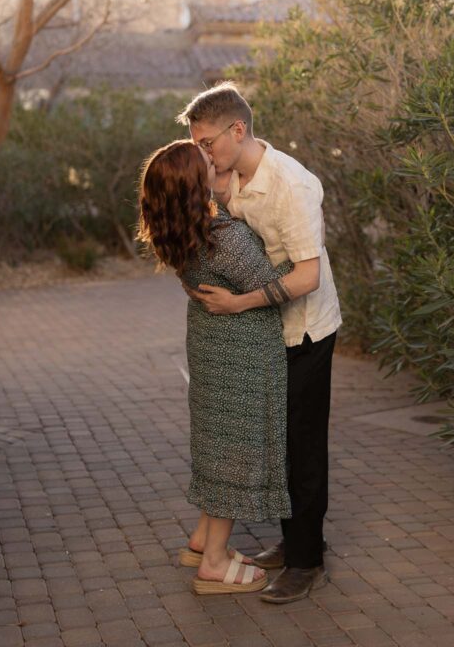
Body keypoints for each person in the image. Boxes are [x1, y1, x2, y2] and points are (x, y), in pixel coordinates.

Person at [177, 82, 342, 604]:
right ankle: (292, 542)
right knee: (277, 440)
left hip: (305, 329)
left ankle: (306, 561)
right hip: (269, 332)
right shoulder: (229, 177)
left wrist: (236, 304)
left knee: (303, 446)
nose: (202, 153)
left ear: (237, 129)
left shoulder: (291, 183)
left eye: (206, 143)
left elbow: (307, 277)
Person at [138, 138, 299, 595]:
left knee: (216, 442)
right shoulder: (222, 237)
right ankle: (212, 563)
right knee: (234, 449)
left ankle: (203, 540)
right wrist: (295, 248)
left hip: (210, 346)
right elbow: (274, 283)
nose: (213, 158)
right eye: (204, 159)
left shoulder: (184, 231)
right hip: (240, 352)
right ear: (195, 183)